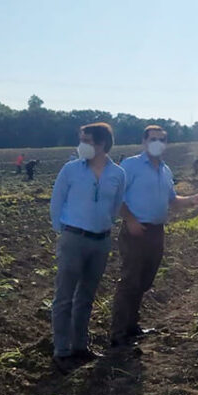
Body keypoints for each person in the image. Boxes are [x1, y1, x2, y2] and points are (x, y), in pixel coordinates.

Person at [110, 125, 198, 347]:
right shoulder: (130, 165)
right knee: (130, 280)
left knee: (144, 280)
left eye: (161, 139)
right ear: (144, 142)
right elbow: (115, 195)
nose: (157, 143)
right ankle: (118, 333)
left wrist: (194, 199)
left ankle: (132, 326)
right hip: (135, 231)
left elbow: (172, 200)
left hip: (156, 232)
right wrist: (130, 220)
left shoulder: (165, 170)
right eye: (153, 139)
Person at [49, 122, 126, 370]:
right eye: (81, 140)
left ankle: (80, 346)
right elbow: (57, 201)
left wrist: (104, 225)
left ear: (101, 144)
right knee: (64, 297)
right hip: (73, 238)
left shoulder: (118, 174)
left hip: (101, 241)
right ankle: (62, 350)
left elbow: (116, 206)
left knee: (86, 296)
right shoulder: (70, 169)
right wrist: (62, 231)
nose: (81, 145)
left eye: (86, 140)